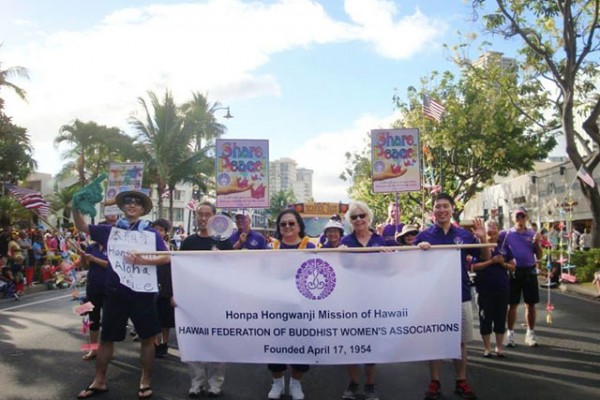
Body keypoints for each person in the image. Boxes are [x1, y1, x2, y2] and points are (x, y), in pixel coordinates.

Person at [74, 189, 170, 400]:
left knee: (147, 338)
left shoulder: (151, 233)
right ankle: (99, 380)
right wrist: (75, 206)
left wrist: (145, 261)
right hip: (116, 292)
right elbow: (81, 226)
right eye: (128, 201)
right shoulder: (110, 230)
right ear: (123, 207)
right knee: (107, 338)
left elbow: (166, 257)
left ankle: (145, 380)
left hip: (143, 294)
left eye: (137, 202)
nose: (132, 204)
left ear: (143, 209)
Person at [414, 193, 491, 400]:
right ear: (433, 211)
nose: (441, 210)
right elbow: (410, 264)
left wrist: (483, 238)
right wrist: (418, 250)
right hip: (434, 296)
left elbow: (485, 258)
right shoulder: (424, 236)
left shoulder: (464, 236)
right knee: (436, 339)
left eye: (445, 206)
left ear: (452, 209)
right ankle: (435, 381)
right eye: (438, 207)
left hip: (460, 294)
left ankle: (461, 381)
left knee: (460, 342)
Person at [180, 201, 233, 398]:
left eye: (206, 214)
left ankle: (215, 383)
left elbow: (233, 271)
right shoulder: (187, 242)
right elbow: (180, 271)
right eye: (199, 214)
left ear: (214, 217)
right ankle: (197, 382)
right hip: (193, 300)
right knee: (194, 340)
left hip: (218, 300)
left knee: (217, 342)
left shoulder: (224, 242)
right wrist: (176, 295)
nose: (202, 218)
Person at [268, 208, 316, 400]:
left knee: (301, 347)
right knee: (276, 347)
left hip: (302, 307)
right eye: (283, 224)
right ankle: (277, 383)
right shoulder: (271, 249)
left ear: (299, 226)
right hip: (277, 308)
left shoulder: (310, 247)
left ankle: (296, 383)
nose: (287, 227)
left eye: (291, 223)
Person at [339, 201, 385, 400]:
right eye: (354, 217)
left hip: (375, 299)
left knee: (371, 342)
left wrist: (423, 246)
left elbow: (405, 256)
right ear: (350, 221)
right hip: (351, 300)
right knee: (351, 341)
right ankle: (353, 382)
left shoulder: (381, 241)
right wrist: (338, 254)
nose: (358, 219)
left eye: (361, 216)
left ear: (368, 218)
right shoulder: (345, 243)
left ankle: (370, 384)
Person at [471, 219, 515, 358]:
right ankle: (487, 348)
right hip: (484, 287)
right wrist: (490, 261)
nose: (492, 230)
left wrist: (503, 264)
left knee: (500, 316)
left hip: (501, 286)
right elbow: (473, 267)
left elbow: (513, 266)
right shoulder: (479, 246)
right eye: (489, 227)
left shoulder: (505, 246)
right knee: (485, 317)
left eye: (495, 227)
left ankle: (499, 347)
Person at [500, 207, 543, 348]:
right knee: (512, 305)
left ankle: (530, 333)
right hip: (513, 272)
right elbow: (493, 243)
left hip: (530, 272)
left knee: (530, 304)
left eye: (522, 216)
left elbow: (540, 256)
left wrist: (537, 242)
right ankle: (510, 334)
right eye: (517, 217)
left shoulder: (532, 234)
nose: (520, 219)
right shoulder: (505, 234)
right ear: (513, 218)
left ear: (526, 218)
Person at [81, 234, 109, 361]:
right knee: (93, 319)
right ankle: (93, 349)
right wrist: (83, 258)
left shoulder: (115, 247)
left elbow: (113, 266)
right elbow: (85, 266)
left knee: (109, 320)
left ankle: (107, 350)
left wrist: (94, 259)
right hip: (93, 286)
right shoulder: (91, 247)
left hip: (110, 287)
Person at [151, 218, 175, 358]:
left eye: (161, 229)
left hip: (166, 286)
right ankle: (155, 343)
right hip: (151, 287)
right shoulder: (146, 246)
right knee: (154, 318)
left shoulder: (170, 247)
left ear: (165, 232)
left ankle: (164, 344)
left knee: (165, 320)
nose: (158, 232)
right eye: (155, 229)